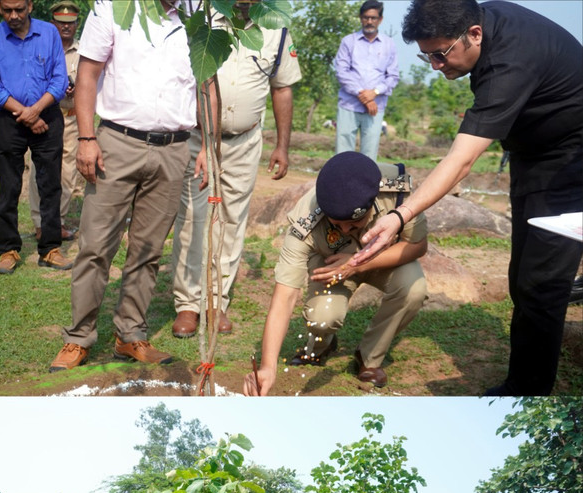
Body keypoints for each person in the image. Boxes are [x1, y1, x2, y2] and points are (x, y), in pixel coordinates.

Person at [354, 0, 583, 395]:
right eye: (426, 57)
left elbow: (461, 162)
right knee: (522, 275)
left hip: (571, 158)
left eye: (440, 55)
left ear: (473, 35)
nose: (435, 67)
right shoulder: (477, 17)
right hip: (533, 153)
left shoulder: (509, 63)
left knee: (541, 282)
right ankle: (525, 372)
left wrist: (400, 215)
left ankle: (529, 390)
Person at [49, 0, 207, 372]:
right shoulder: (114, 9)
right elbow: (87, 74)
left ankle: (130, 334)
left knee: (148, 250)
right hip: (117, 143)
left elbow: (205, 81)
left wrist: (206, 145)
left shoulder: (198, 17)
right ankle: (78, 338)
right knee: (96, 245)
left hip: (174, 148)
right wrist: (87, 138)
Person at [243, 151, 428, 394]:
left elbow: (418, 245)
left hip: (383, 259)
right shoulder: (304, 222)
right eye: (336, 224)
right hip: (329, 265)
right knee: (323, 318)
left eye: (354, 224)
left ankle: (369, 358)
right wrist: (268, 367)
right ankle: (322, 345)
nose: (345, 230)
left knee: (413, 289)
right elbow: (285, 295)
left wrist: (358, 263)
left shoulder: (395, 189)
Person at [171, 0, 302, 339]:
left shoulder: (277, 28)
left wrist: (282, 146)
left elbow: (283, 87)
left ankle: (217, 302)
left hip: (245, 141)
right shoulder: (202, 21)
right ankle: (187, 304)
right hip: (198, 138)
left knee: (232, 219)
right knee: (191, 218)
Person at [0, 0, 71, 275]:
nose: (13, 15)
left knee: (50, 184)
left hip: (47, 115)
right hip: (10, 119)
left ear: (30, 6)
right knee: (9, 187)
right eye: (7, 10)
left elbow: (59, 79)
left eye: (19, 9)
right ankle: (8, 250)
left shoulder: (49, 33)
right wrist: (26, 114)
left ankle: (50, 248)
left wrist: (35, 111)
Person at [26, 1, 83, 246]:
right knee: (40, 170)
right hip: (46, 117)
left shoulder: (85, 51)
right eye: (61, 23)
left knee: (68, 173)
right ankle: (40, 224)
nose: (66, 27)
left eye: (70, 23)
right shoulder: (41, 48)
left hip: (73, 119)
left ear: (77, 25)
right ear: (53, 24)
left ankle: (56, 222)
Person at [334, 0, 399, 160]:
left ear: (380, 19)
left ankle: (364, 186)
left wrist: (374, 93)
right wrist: (363, 96)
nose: (369, 21)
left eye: (373, 18)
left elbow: (393, 76)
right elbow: (341, 72)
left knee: (369, 156)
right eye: (366, 17)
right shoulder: (348, 41)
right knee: (343, 154)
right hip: (349, 105)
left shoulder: (389, 44)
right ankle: (341, 185)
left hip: (376, 108)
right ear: (360, 18)